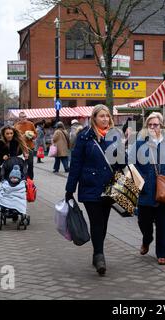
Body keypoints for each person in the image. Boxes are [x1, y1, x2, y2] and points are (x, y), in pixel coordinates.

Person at [65, 104, 124, 276]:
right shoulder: (84, 136)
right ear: (94, 118)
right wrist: (70, 189)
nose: (105, 119)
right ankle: (99, 256)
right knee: (96, 221)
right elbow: (76, 164)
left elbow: (121, 162)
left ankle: (97, 251)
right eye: (101, 116)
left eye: (107, 116)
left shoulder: (115, 136)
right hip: (90, 186)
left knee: (103, 223)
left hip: (109, 187)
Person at [129, 112, 165, 266]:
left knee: (164, 223)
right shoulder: (139, 143)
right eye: (150, 125)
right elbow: (131, 164)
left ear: (162, 126)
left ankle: (162, 253)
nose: (153, 127)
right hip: (146, 189)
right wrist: (140, 180)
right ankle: (147, 239)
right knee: (143, 221)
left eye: (156, 124)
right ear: (146, 126)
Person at [14, 111, 37, 179]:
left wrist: (32, 136)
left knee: (30, 164)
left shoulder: (30, 124)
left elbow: (35, 134)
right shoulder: (16, 126)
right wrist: (22, 137)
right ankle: (22, 177)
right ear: (19, 118)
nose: (24, 118)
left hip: (29, 147)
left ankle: (30, 179)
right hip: (20, 148)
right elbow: (14, 137)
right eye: (22, 117)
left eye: (25, 117)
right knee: (22, 164)